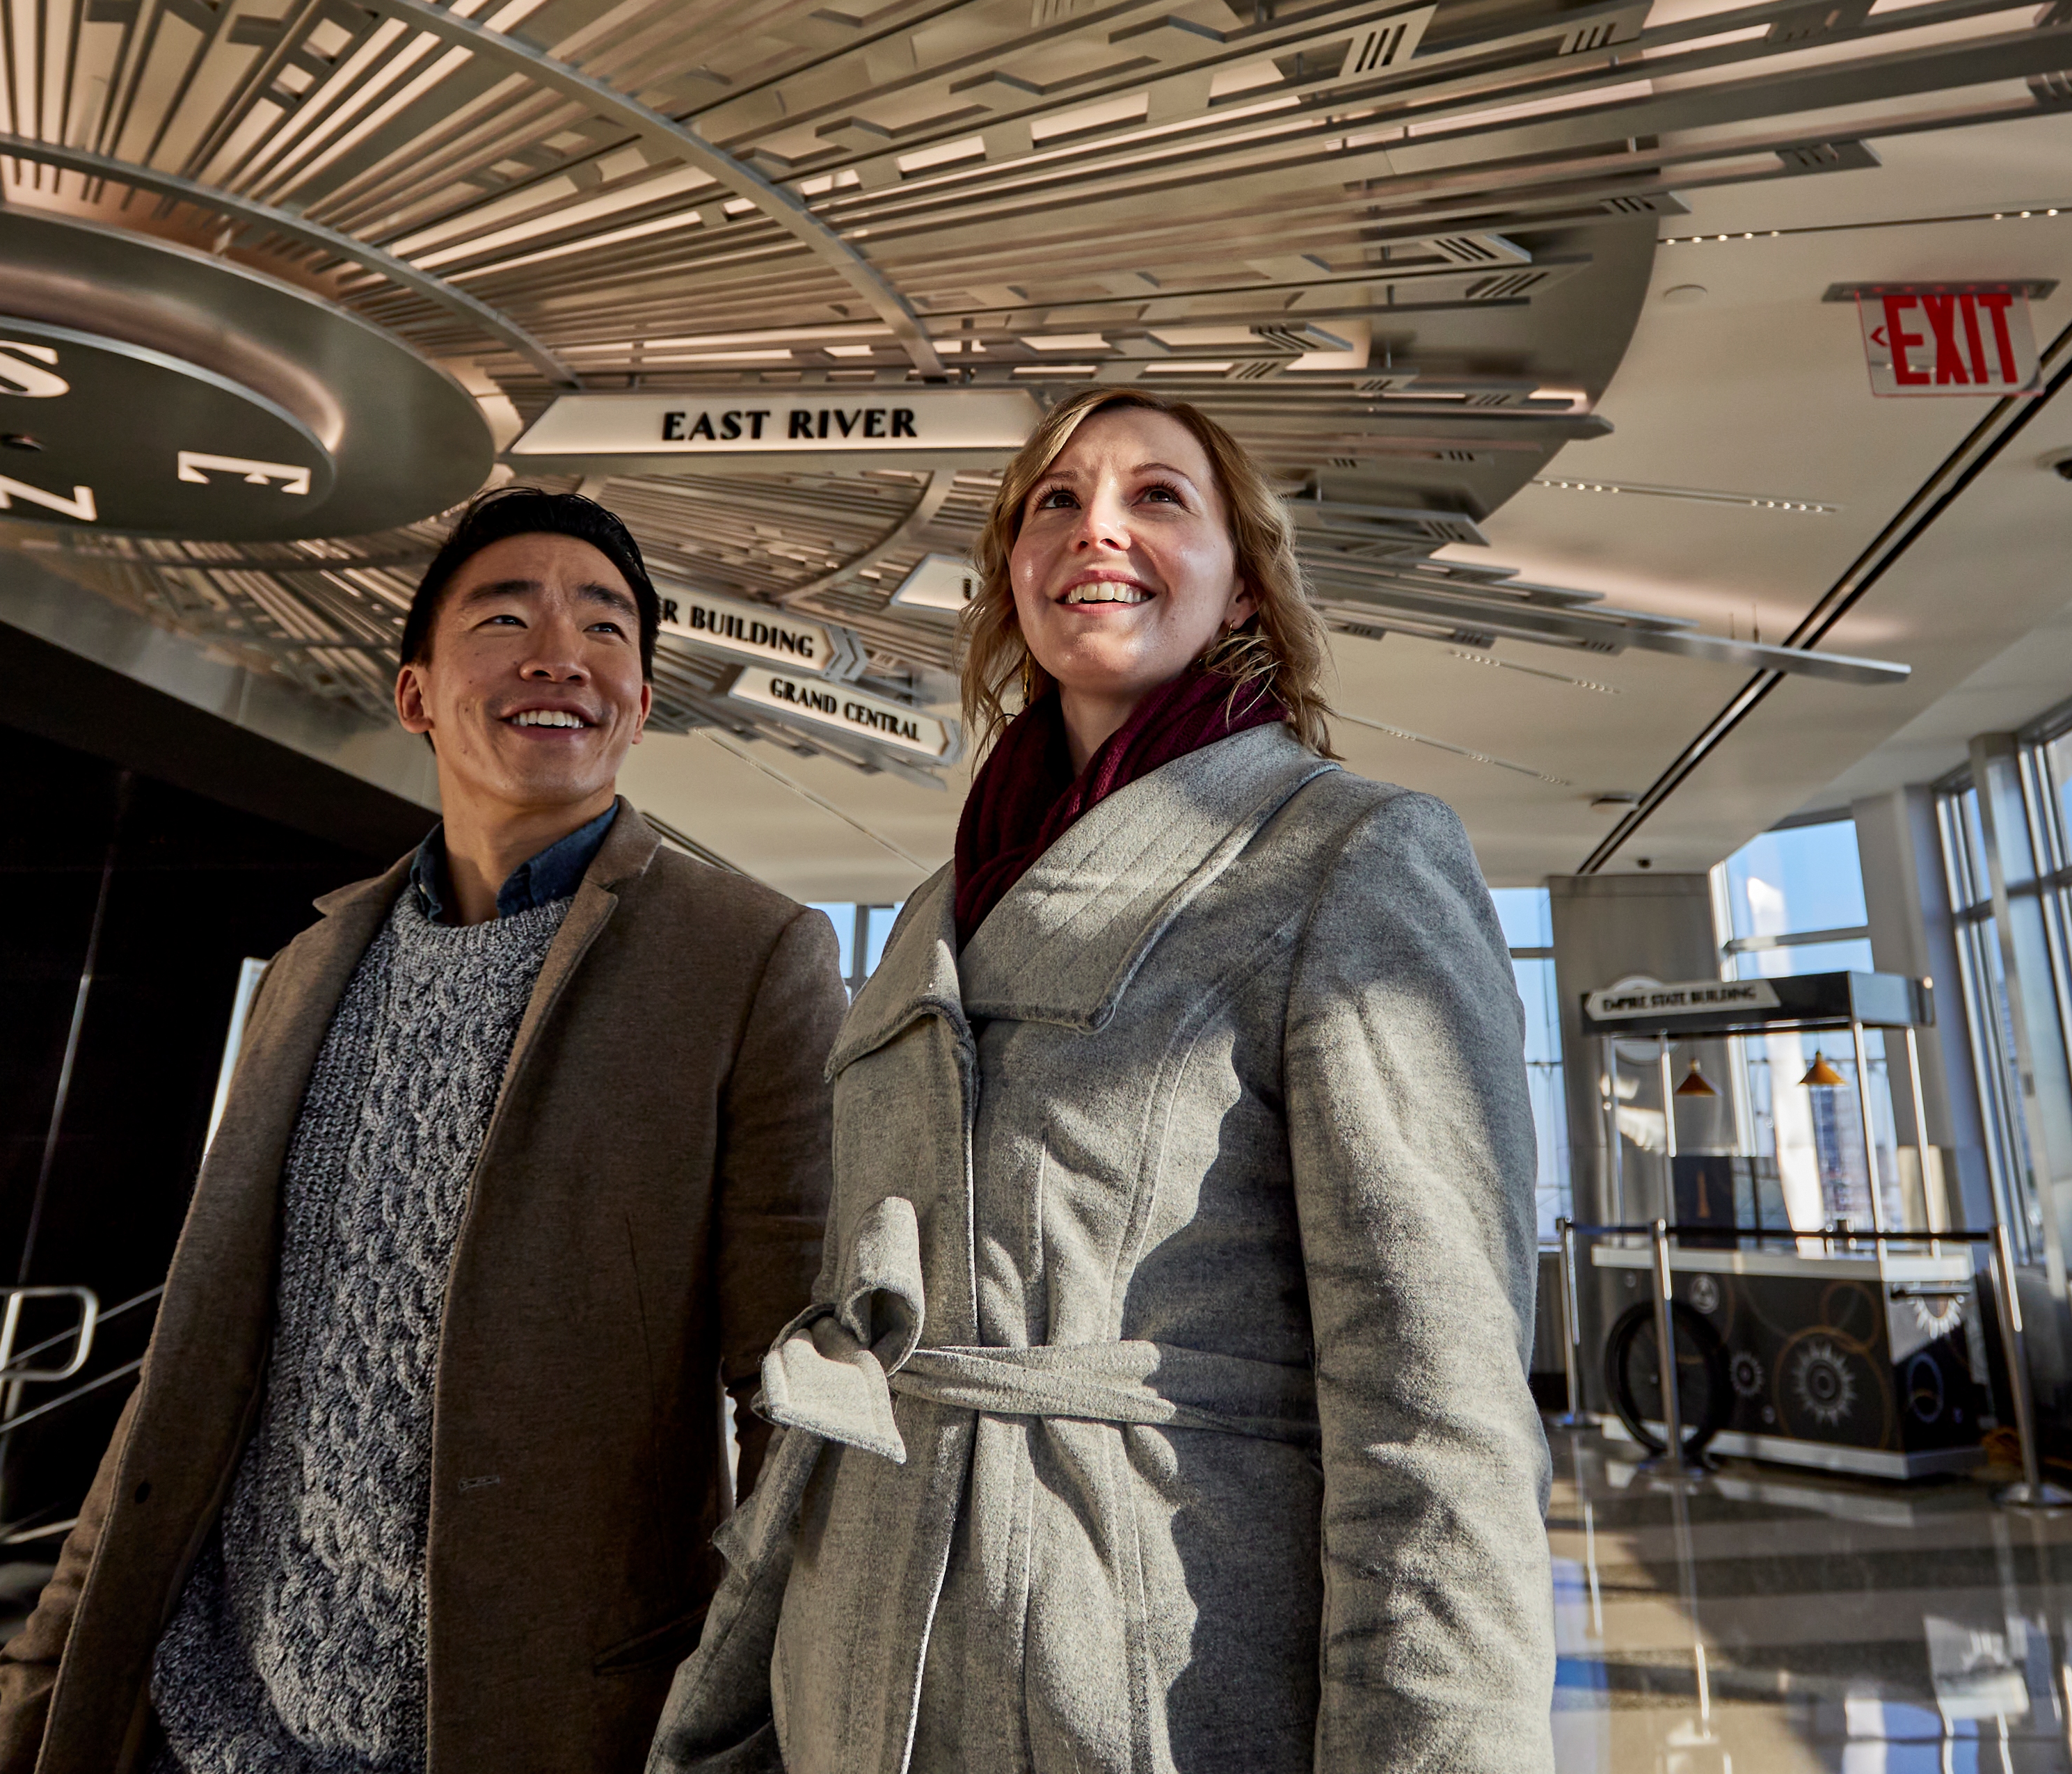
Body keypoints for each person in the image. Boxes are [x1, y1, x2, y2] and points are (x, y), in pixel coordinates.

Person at [651, 390, 1554, 1774]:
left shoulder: (1347, 857)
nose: (1098, 531)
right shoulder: (927, 910)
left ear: (1242, 577)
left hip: (1144, 1691)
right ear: (1012, 569)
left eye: (1159, 498)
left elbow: (1438, 1402)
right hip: (858, 1673)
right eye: (1054, 502)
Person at [0, 489, 847, 1774]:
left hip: (537, 1725)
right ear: (416, 695)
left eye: (607, 629)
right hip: (199, 1715)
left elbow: (796, 1396)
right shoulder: (311, 962)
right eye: (506, 617)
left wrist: (754, 1724)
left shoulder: (750, 956)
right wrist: (36, 1693)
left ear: (641, 705)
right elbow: (193, 1374)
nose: (562, 652)